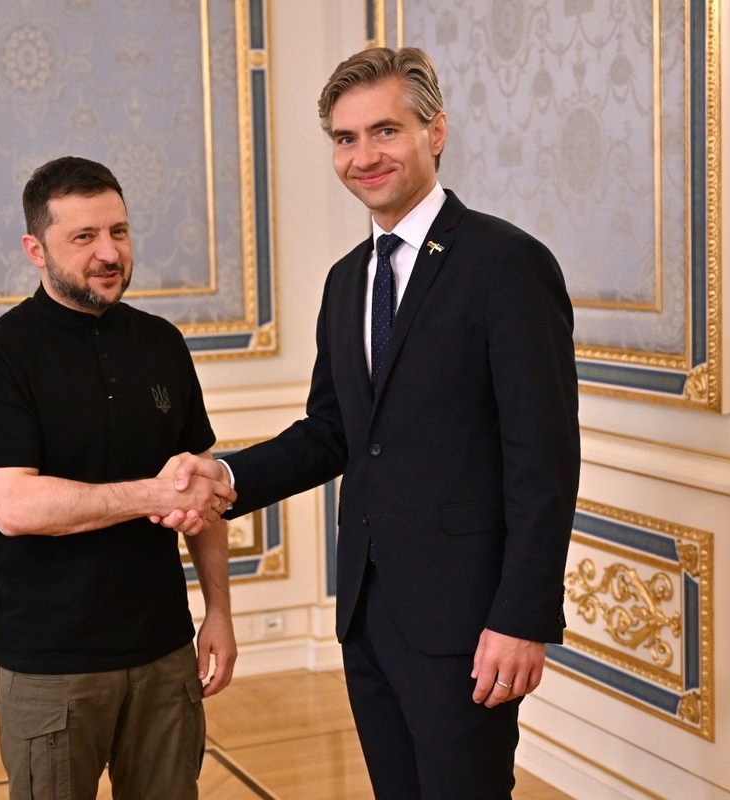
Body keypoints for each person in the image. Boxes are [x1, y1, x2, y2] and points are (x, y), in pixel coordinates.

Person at [165, 47, 580, 798]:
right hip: (366, 612)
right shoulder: (347, 280)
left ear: (435, 132)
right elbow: (332, 430)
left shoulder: (507, 264)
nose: (364, 156)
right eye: (345, 138)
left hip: (468, 620)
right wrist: (224, 475)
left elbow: (543, 461)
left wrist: (522, 618)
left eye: (385, 131)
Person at [0, 156, 238, 800]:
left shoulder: (163, 343)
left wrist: (218, 612)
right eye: (83, 237)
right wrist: (154, 493)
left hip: (165, 652)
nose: (109, 253)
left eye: (119, 231)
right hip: (51, 667)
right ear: (36, 250)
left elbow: (202, 493)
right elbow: (15, 506)